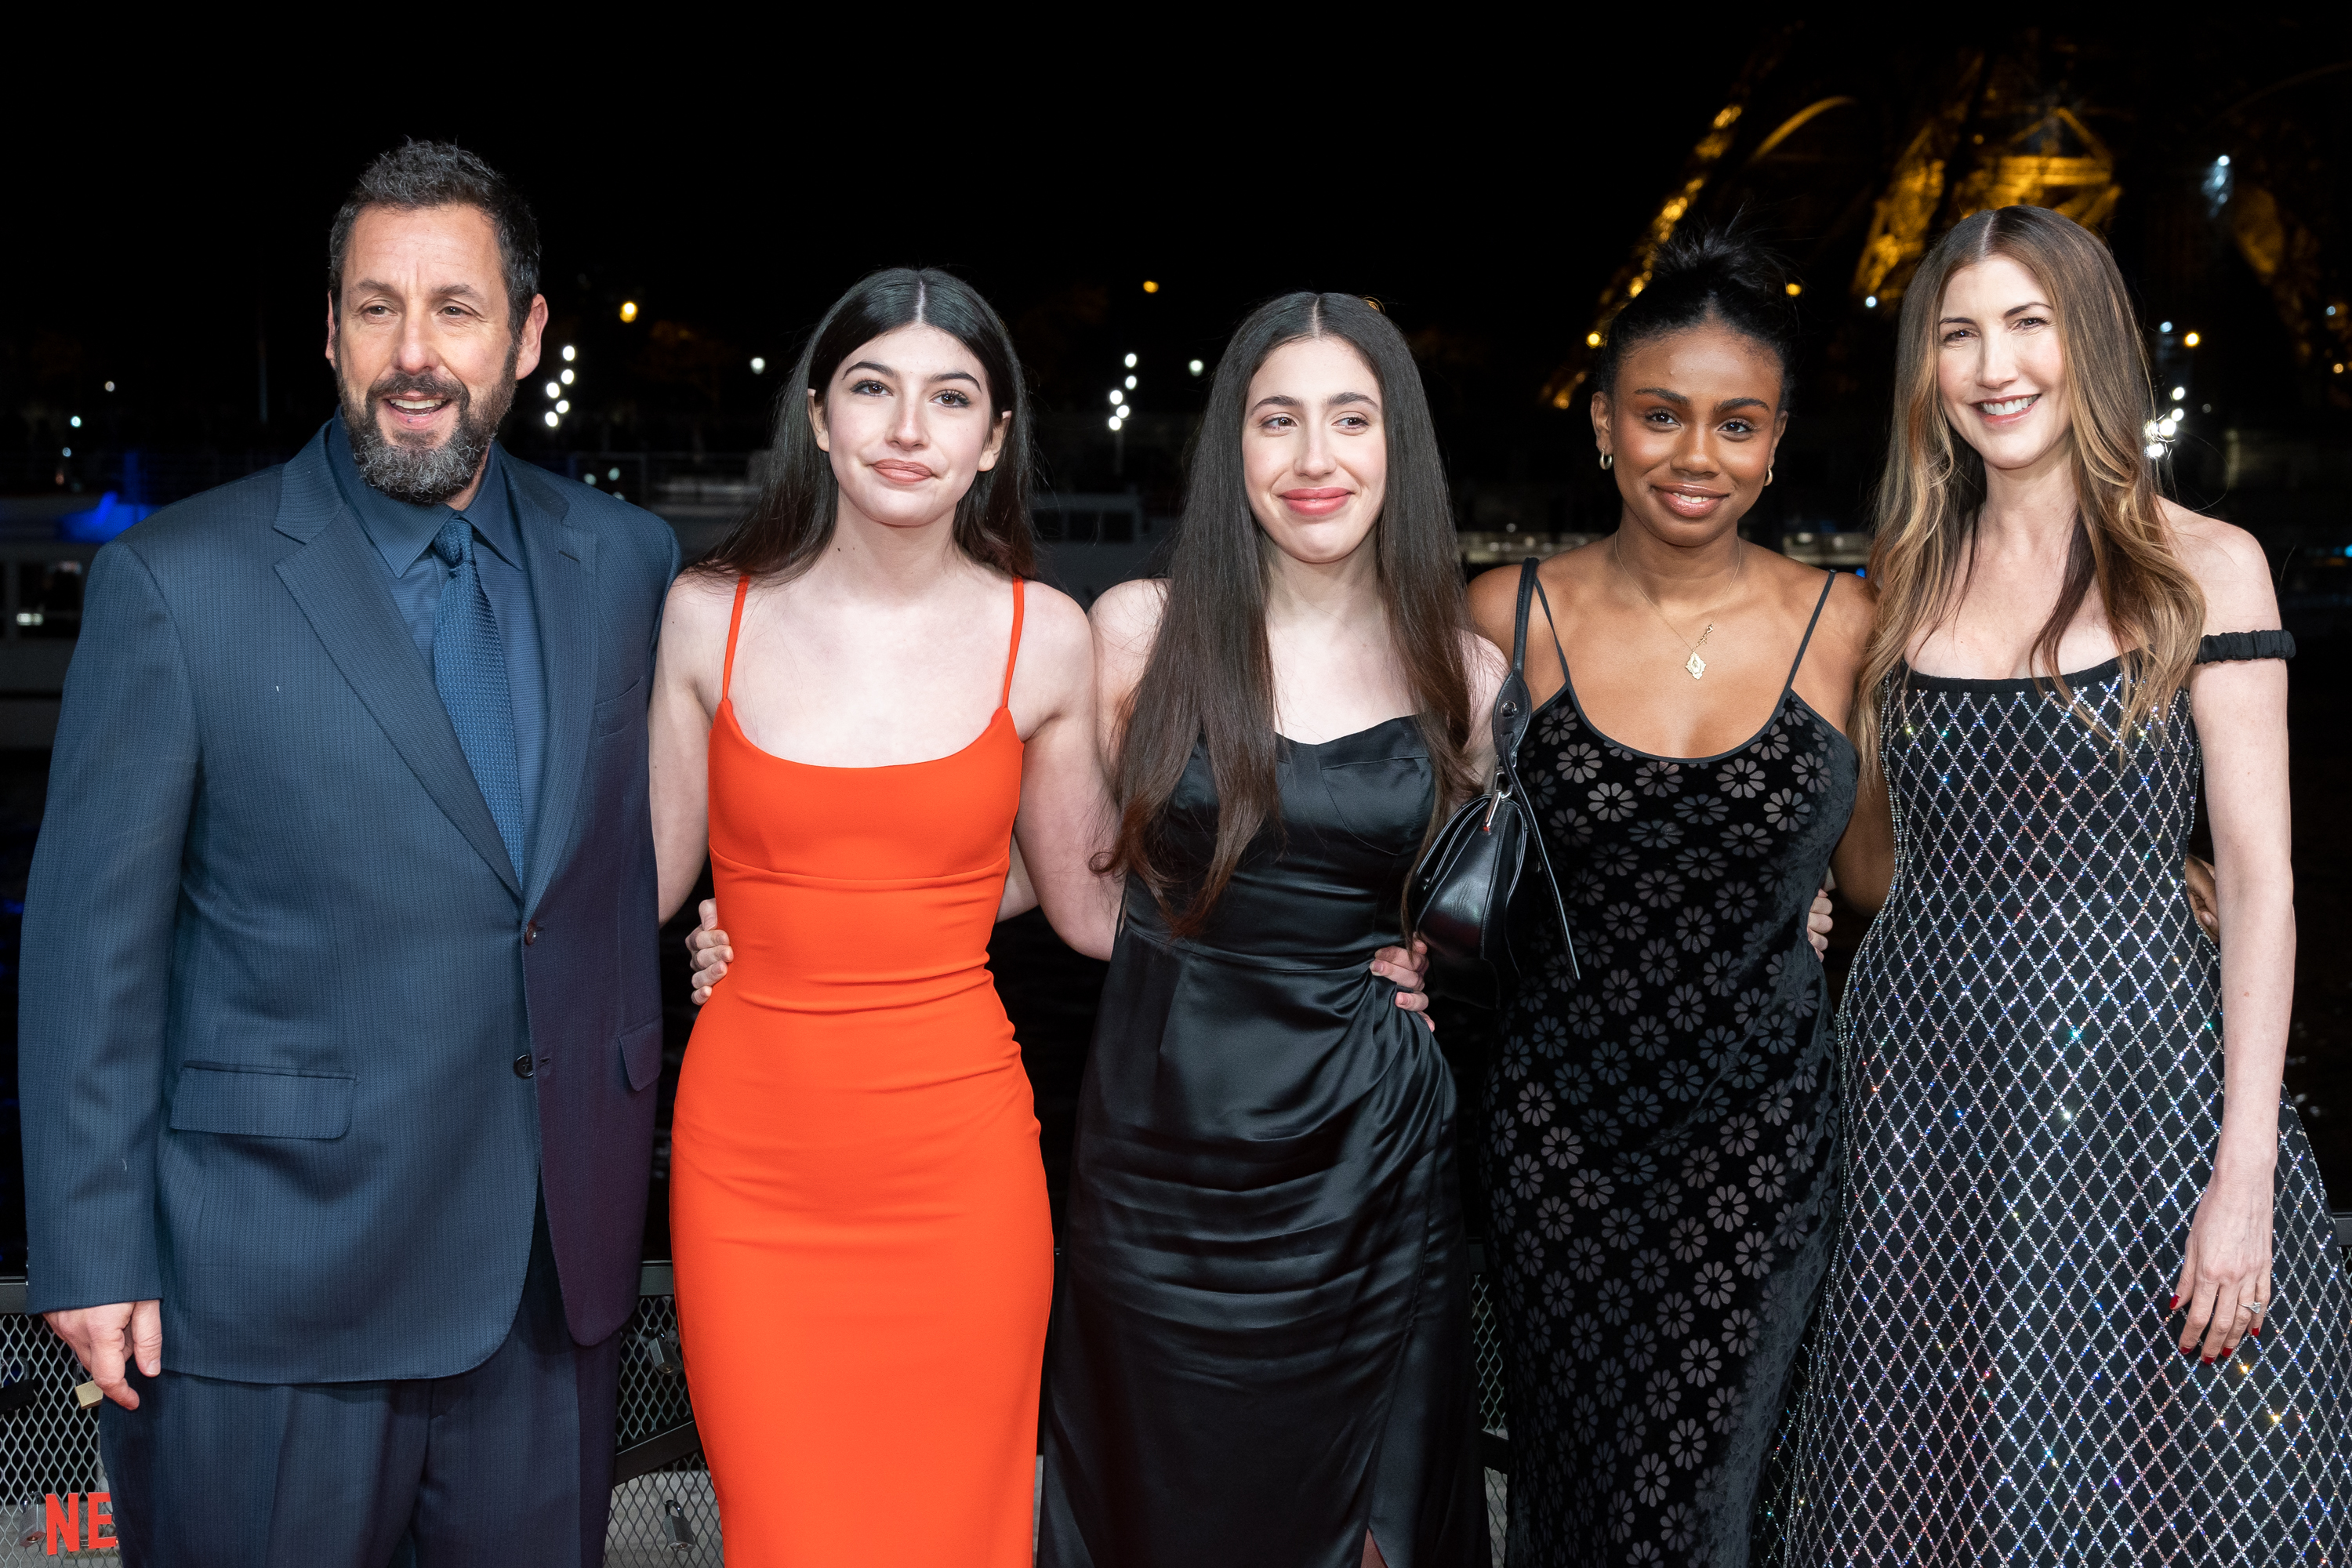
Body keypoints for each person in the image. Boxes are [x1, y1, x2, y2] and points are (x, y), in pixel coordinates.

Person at [17, 143, 678, 1566]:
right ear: (329, 331)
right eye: (376, 309)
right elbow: (89, 951)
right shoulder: (178, 585)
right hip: (266, 1293)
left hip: (543, 1292)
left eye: (455, 308)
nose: (414, 356)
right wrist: (88, 1249)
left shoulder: (625, 563)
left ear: (529, 333)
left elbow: (638, 857)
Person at [1774, 205, 2350, 1562]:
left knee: (2139, 1495)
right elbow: (1869, 856)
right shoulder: (1901, 579)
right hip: (1917, 1104)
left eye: (2029, 323)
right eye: (1960, 334)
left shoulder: (2206, 566)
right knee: (1932, 1493)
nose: (1995, 366)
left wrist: (2247, 1178)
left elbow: (2261, 882)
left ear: (2092, 342)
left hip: (2134, 1104)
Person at [645, 268, 1115, 1567]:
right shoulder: (707, 620)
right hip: (753, 1169)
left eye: (950, 397)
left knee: (960, 1533)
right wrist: (744, 922)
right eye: (874, 388)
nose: (909, 427)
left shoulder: (1045, 636)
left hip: (960, 1170)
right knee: (785, 1534)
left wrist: (1347, 928)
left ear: (993, 441)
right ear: (817, 415)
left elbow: (1084, 906)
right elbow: (637, 887)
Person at [1033, 292, 1492, 1568]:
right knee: (1154, 1505)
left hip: (1373, 1164)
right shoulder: (1137, 634)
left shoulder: (1469, 672)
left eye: (1352, 419)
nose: (1314, 458)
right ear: (1231, 447)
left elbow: (1496, 908)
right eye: (1276, 420)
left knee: (1373, 1528)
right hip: (1160, 1167)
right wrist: (781, 919)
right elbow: (1066, 896)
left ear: (1398, 445)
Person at [1465, 230, 1869, 1566]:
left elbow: (1876, 875)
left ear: (1775, 442)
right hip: (1553, 1137)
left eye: (1735, 424)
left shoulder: (1849, 626)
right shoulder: (1502, 615)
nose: (1697, 455)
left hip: (1758, 1142)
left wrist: (2153, 860)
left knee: (1696, 1507)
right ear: (1602, 425)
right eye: (1661, 415)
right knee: (1571, 1494)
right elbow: (1415, 840)